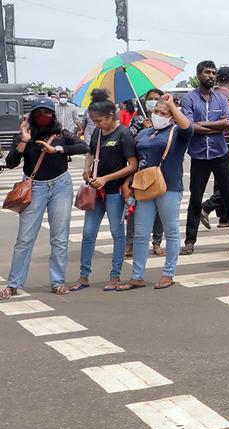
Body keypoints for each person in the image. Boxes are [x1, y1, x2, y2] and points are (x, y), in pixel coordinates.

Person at [1, 97, 88, 299]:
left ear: (53, 115)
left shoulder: (60, 133)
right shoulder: (25, 135)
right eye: (38, 113)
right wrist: (23, 140)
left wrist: (57, 149)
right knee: (25, 238)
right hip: (34, 188)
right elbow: (12, 162)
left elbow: (83, 147)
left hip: (60, 186)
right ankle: (14, 284)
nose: (43, 116)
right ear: (31, 115)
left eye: (47, 113)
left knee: (59, 238)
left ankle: (57, 282)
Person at [116, 94, 193, 291]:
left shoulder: (177, 131)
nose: (158, 115)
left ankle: (168, 273)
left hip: (169, 187)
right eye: (156, 111)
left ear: (172, 116)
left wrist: (171, 106)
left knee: (171, 232)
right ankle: (137, 276)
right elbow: (135, 161)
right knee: (141, 233)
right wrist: (128, 183)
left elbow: (188, 127)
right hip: (144, 187)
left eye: (163, 113)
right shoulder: (144, 133)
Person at [69, 89, 139, 292]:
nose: (97, 125)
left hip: (114, 192)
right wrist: (86, 169)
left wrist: (106, 178)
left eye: (99, 120)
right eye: (93, 121)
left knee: (117, 234)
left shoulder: (123, 133)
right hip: (95, 191)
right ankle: (83, 276)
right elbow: (91, 151)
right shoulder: (98, 133)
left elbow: (132, 165)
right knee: (88, 233)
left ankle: (115, 275)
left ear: (110, 116)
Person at [179, 60, 229, 256]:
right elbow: (189, 126)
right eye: (207, 72)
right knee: (195, 200)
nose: (211, 75)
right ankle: (190, 241)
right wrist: (214, 126)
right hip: (198, 155)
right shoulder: (189, 99)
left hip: (220, 153)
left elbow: (228, 123)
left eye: (213, 72)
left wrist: (202, 125)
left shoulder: (220, 98)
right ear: (198, 75)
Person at [125, 88, 166, 258]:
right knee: (134, 209)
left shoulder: (167, 121)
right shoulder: (137, 121)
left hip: (161, 171)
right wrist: (144, 130)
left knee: (160, 210)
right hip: (140, 171)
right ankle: (130, 244)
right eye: (150, 98)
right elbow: (128, 143)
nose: (153, 101)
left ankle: (157, 242)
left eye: (157, 99)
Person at [201, 66, 229, 231]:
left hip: (209, 142)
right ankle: (208, 206)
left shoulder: (211, 94)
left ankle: (223, 217)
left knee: (220, 179)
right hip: (228, 143)